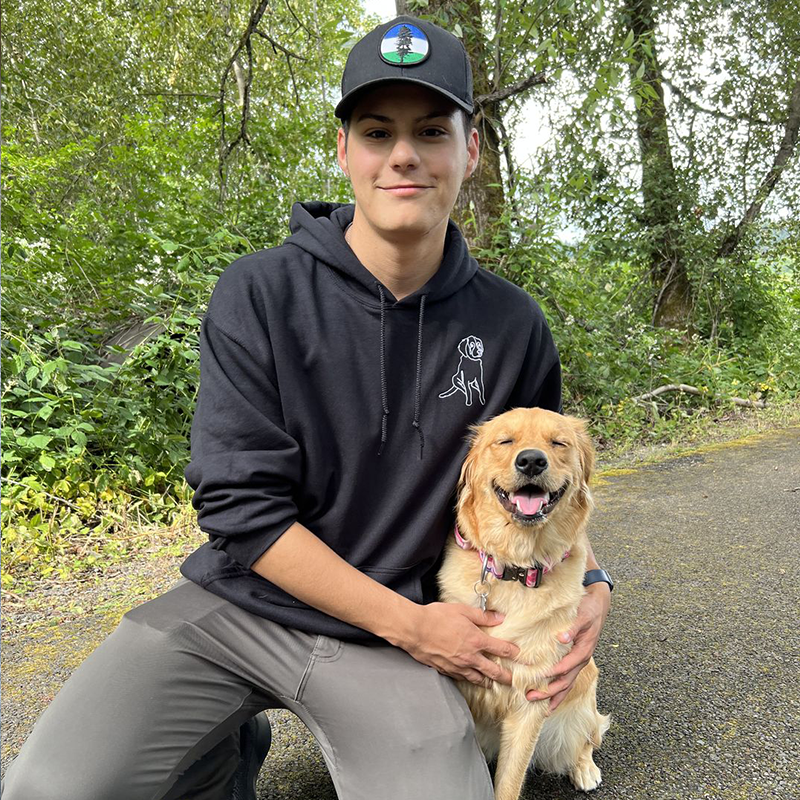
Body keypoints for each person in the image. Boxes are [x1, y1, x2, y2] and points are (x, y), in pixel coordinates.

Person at [1, 14, 612, 800]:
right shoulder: (258, 293)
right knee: (48, 792)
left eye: (431, 129)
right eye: (375, 130)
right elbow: (242, 512)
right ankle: (217, 745)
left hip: (395, 640)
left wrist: (594, 583)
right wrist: (414, 625)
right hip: (243, 606)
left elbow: (538, 494)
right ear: (342, 150)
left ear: (470, 149)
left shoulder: (513, 324)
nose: (402, 154)